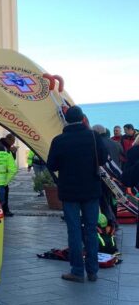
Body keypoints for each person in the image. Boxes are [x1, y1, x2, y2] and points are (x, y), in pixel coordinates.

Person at [47, 105, 108, 283]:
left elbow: (52, 165)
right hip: (91, 190)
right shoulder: (93, 136)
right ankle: (93, 271)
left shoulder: (59, 140)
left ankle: (77, 271)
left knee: (73, 231)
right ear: (83, 119)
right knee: (91, 230)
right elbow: (103, 159)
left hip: (69, 191)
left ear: (66, 120)